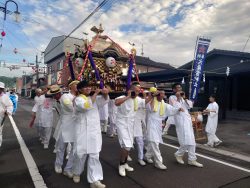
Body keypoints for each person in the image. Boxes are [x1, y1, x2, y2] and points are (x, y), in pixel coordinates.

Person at [72, 80, 109, 188]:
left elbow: (104, 101)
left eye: (89, 86)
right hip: (82, 131)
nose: (89, 88)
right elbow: (86, 107)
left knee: (94, 155)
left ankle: (95, 180)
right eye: (85, 87)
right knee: (80, 155)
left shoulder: (95, 98)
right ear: (79, 89)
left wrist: (105, 93)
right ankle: (77, 173)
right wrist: (96, 93)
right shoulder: (78, 99)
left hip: (94, 132)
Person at [115, 83, 149, 177]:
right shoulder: (123, 97)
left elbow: (145, 102)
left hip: (131, 124)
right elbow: (116, 103)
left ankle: (125, 163)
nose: (137, 93)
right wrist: (128, 96)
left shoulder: (137, 99)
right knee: (126, 145)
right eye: (136, 90)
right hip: (122, 123)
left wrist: (151, 95)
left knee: (129, 146)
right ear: (130, 90)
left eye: (139, 91)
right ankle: (121, 165)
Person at [145, 88, 181, 170]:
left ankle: (147, 156)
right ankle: (158, 162)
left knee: (153, 142)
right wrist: (153, 97)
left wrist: (178, 109)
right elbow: (151, 109)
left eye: (163, 94)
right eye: (160, 93)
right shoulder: (150, 102)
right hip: (151, 124)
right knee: (155, 142)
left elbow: (172, 109)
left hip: (158, 125)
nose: (162, 95)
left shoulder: (164, 104)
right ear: (157, 94)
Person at [54, 80, 79, 178]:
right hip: (65, 124)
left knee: (75, 149)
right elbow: (70, 108)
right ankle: (58, 164)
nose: (77, 86)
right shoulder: (65, 96)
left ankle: (68, 168)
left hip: (76, 125)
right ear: (70, 86)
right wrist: (78, 99)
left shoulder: (81, 97)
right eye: (75, 84)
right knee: (61, 147)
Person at [172, 90, 203, 168]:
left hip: (188, 125)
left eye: (182, 93)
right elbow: (174, 110)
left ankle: (191, 159)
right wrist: (178, 98)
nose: (180, 94)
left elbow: (190, 105)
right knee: (185, 143)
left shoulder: (185, 101)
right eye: (179, 93)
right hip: (181, 126)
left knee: (192, 142)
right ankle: (179, 154)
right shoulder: (174, 102)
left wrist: (184, 98)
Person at [40, 85, 61, 149]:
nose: (47, 90)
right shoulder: (42, 96)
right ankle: (44, 139)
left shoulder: (52, 96)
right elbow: (43, 94)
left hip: (49, 115)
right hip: (42, 115)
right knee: (42, 128)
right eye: (47, 89)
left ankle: (46, 143)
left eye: (48, 89)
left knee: (48, 129)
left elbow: (48, 95)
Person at [133, 90, 147, 166]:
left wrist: (146, 97)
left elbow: (145, 104)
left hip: (138, 123)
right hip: (130, 123)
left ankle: (140, 158)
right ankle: (126, 155)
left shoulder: (142, 100)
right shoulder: (132, 98)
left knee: (140, 141)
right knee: (128, 143)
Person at [0, 82, 13, 147]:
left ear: (2, 89)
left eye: (1, 88)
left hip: (1, 116)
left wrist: (8, 111)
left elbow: (10, 105)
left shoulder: (5, 97)